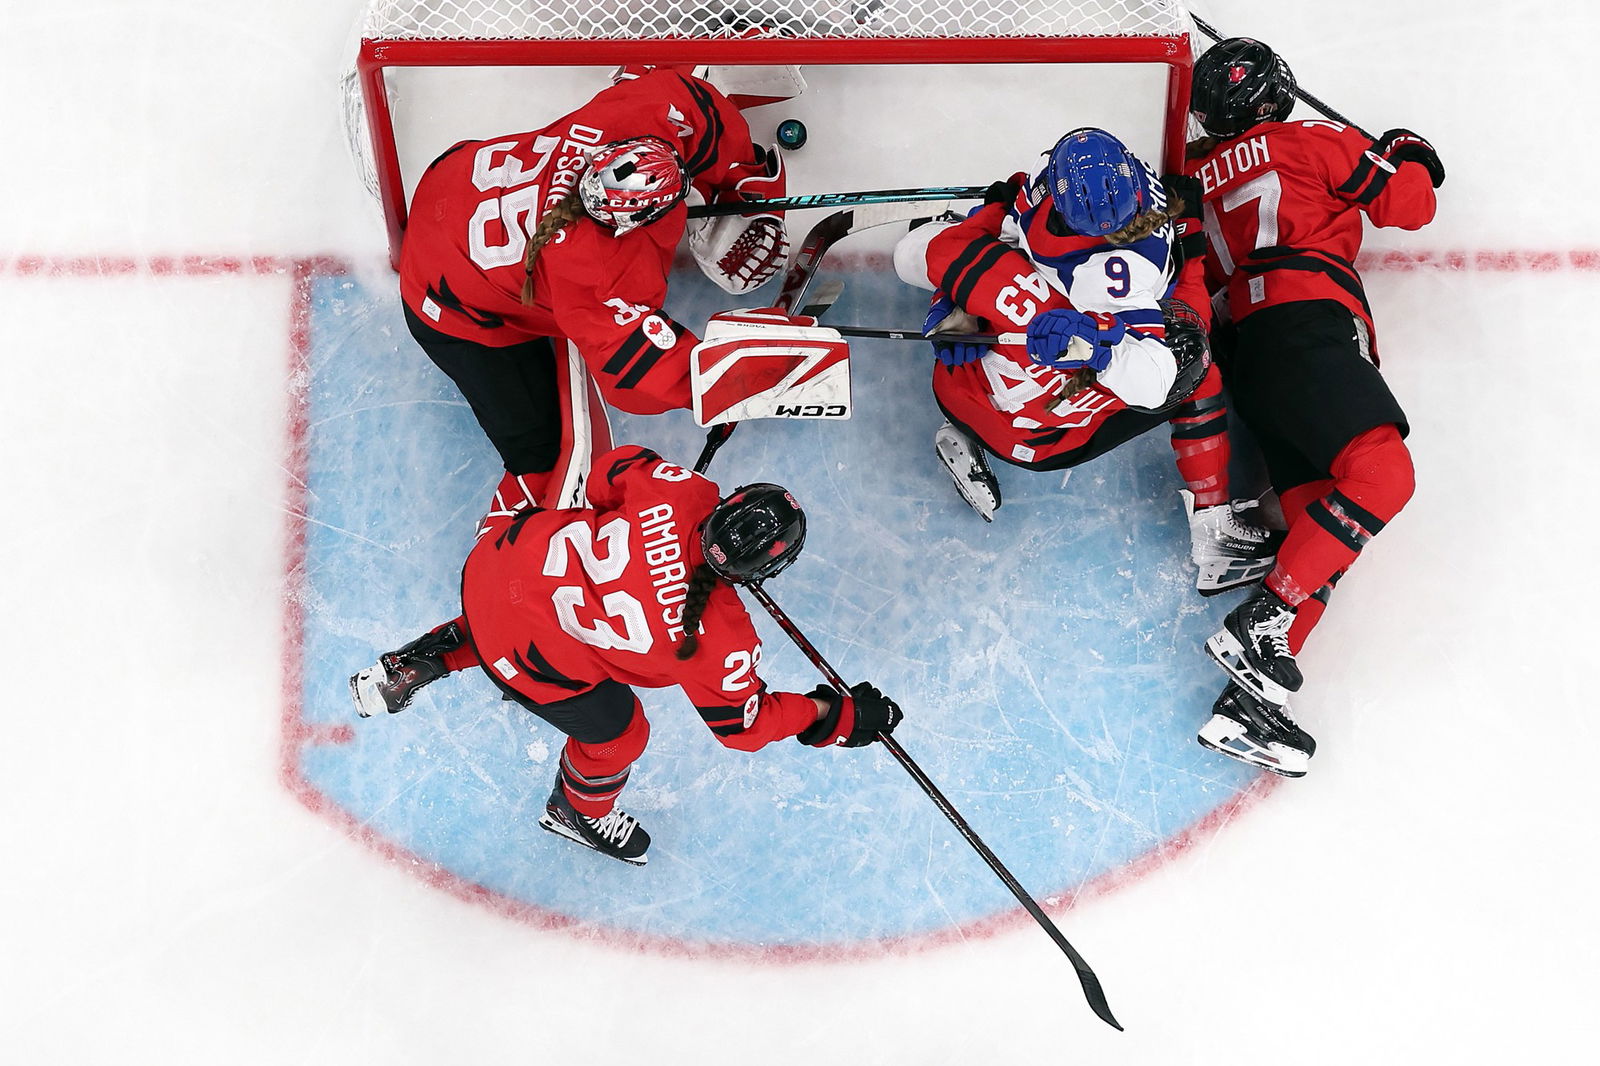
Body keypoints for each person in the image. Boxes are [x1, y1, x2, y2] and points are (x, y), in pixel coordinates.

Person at [348, 444, 905, 866]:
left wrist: (664, 522)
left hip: (494, 560)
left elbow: (607, 473)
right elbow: (743, 726)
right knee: (621, 731)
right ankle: (577, 811)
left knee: (542, 600)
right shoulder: (721, 640)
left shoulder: (679, 492)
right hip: (525, 651)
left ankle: (419, 661)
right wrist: (831, 715)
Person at [1179, 38, 1443, 776]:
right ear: (1274, 97)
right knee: (1383, 476)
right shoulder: (1310, 142)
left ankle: (1251, 707)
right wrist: (1409, 150)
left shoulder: (1193, 178)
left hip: (1249, 358)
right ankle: (1262, 620)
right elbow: (1411, 204)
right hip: (1307, 327)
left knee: (1317, 528)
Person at [892, 127, 1280, 596]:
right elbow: (1157, 376)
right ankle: (1214, 529)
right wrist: (1103, 346)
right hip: (1047, 440)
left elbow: (929, 248)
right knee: (1195, 366)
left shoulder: (996, 249)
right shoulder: (1118, 279)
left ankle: (972, 428)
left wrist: (949, 303)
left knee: (988, 333)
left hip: (956, 390)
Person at [397, 67, 797, 512]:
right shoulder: (592, 273)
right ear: (631, 224)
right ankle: (514, 551)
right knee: (540, 459)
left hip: (450, 181)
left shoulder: (632, 117)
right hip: (448, 303)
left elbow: (699, 106)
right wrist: (728, 380)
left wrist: (739, 178)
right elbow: (634, 374)